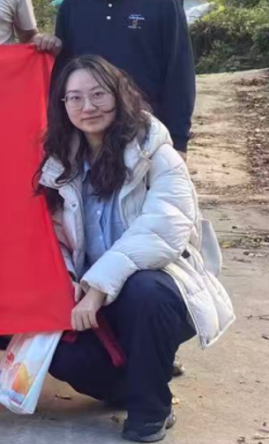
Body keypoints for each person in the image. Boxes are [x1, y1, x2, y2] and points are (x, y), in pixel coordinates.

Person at [37, 55, 233, 442]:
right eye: (75, 98)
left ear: (119, 95)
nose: (87, 106)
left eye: (98, 94)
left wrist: (97, 289)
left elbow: (162, 229)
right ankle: (137, 378)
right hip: (94, 297)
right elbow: (54, 238)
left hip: (162, 290)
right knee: (58, 354)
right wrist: (68, 284)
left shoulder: (156, 153)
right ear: (63, 105)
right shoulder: (60, 163)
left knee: (145, 290)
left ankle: (150, 407)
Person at [41, 0, 196, 153]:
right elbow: (63, 77)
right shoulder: (72, 8)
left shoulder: (164, 4)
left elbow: (179, 76)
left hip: (146, 136)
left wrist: (179, 141)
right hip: (86, 137)